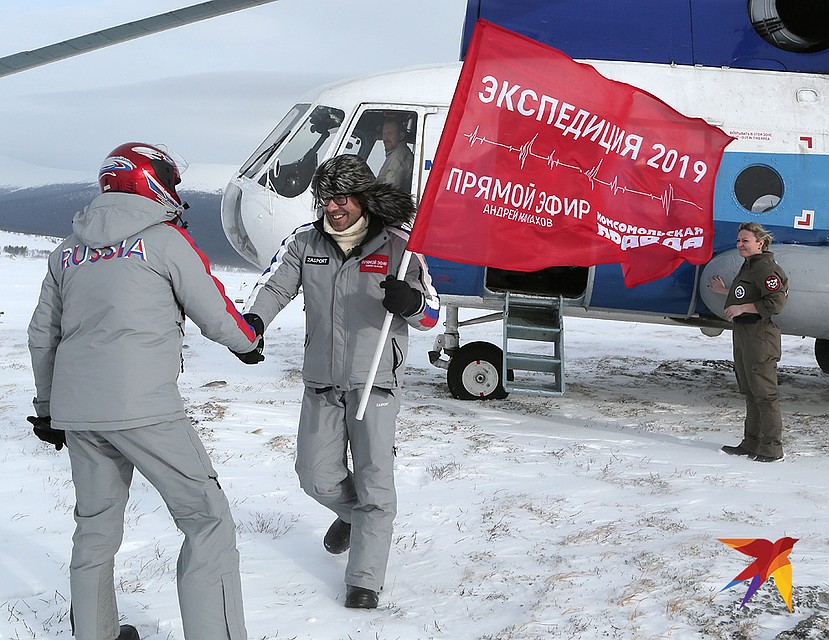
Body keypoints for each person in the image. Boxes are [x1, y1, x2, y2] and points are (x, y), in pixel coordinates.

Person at [27, 142, 264, 640]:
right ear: (150, 180)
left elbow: (42, 334)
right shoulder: (163, 240)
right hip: (144, 409)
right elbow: (212, 306)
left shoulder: (67, 251)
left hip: (79, 411)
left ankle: (95, 633)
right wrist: (247, 343)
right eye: (170, 181)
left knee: (95, 528)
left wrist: (48, 409)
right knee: (206, 519)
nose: (175, 191)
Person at [242, 154, 439, 609]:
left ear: (364, 198)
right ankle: (354, 518)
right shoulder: (305, 242)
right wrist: (253, 322)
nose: (333, 207)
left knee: (376, 483)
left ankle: (364, 581)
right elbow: (272, 288)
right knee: (314, 475)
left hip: (376, 384)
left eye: (343, 197)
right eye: (326, 198)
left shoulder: (398, 247)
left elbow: (430, 312)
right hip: (321, 381)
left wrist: (409, 302)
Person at [708, 221, 788, 462]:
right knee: (751, 392)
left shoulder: (766, 269)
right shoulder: (750, 266)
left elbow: (775, 303)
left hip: (759, 335)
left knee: (765, 394)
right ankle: (751, 443)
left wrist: (742, 307)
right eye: (739, 241)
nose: (740, 245)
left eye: (745, 241)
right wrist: (726, 292)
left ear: (760, 243)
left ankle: (772, 449)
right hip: (744, 334)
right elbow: (747, 292)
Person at [376, 117, 414, 192]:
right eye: (384, 133)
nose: (385, 138)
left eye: (390, 133)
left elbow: (388, 190)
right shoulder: (394, 154)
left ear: (401, 136)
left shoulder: (399, 156)